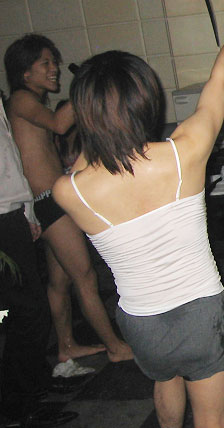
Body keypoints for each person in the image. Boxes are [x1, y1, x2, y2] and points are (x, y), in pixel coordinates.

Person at [53, 13, 224, 428]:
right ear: (145, 101)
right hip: (201, 313)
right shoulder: (183, 152)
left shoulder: (70, 191)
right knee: (212, 418)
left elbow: (86, 158)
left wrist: (94, 121)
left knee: (165, 382)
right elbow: (222, 76)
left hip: (141, 321)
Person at [4, 34, 132, 365]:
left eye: (54, 62)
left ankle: (66, 346)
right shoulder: (20, 99)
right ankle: (115, 347)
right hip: (48, 202)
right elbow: (61, 124)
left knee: (59, 282)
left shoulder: (29, 102)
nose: (54, 69)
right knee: (85, 277)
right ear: (25, 72)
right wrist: (88, 83)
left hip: (47, 202)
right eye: (45, 63)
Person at [0, 94, 78, 427]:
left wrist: (27, 210)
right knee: (25, 312)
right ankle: (18, 405)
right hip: (2, 219)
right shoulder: (18, 99)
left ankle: (32, 388)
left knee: (30, 310)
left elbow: (10, 160)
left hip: (12, 213)